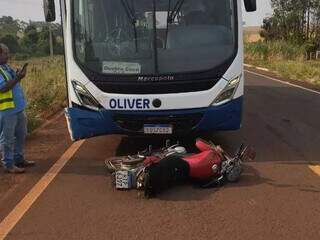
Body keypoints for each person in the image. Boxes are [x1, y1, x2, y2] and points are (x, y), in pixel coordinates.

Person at [0, 43, 35, 174]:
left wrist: (19, 76)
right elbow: (3, 88)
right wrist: (18, 77)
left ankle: (18, 158)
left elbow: (13, 82)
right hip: (7, 110)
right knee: (7, 138)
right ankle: (8, 164)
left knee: (21, 134)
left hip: (18, 107)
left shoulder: (6, 67)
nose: (8, 55)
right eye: (5, 53)